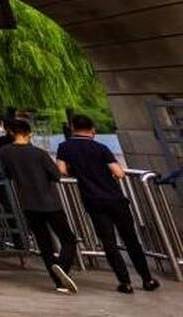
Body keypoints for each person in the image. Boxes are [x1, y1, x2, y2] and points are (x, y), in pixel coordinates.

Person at [56, 114, 160, 294]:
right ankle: (147, 279)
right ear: (92, 130)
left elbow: (61, 170)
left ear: (72, 128)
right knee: (131, 240)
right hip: (115, 199)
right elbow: (119, 173)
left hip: (93, 201)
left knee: (108, 242)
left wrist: (78, 172)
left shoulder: (64, 147)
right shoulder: (100, 147)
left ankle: (125, 282)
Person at [0, 116, 79, 294]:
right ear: (29, 133)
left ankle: (58, 282)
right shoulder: (39, 153)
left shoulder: (4, 153)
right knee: (68, 239)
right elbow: (56, 175)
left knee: (44, 244)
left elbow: (6, 174)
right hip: (50, 202)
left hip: (28, 203)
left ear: (11, 133)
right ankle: (62, 266)